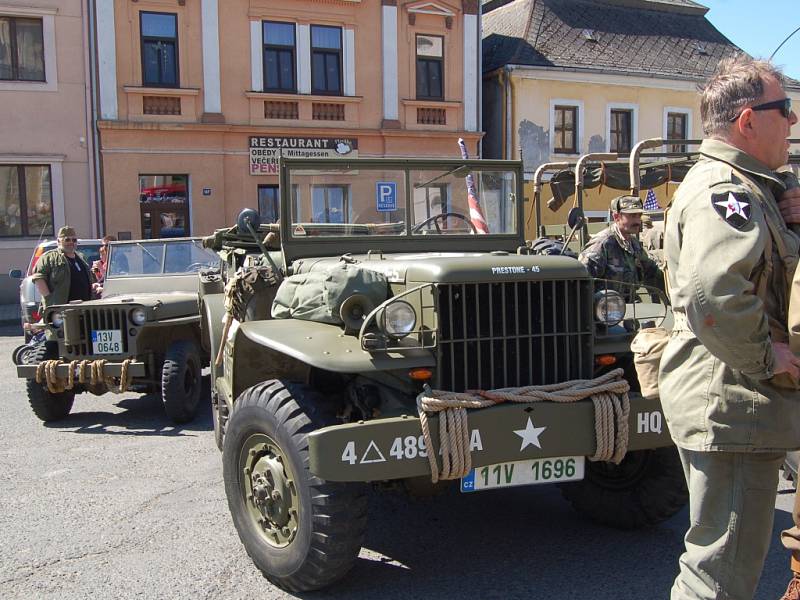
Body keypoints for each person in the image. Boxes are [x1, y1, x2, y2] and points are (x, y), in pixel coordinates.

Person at [659, 54, 800, 600]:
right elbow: (712, 291)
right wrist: (769, 357)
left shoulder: (754, 188)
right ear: (747, 120)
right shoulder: (728, 191)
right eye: (784, 108)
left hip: (738, 403)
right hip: (735, 402)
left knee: (728, 563)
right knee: (720, 575)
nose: (791, 122)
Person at [578, 194, 662, 300]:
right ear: (617, 217)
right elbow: (582, 281)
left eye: (638, 215)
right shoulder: (602, 243)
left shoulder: (633, 244)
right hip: (606, 309)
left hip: (630, 307)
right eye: (632, 216)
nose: (637, 221)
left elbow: (651, 269)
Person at [32, 226, 96, 312]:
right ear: (58, 241)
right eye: (67, 240)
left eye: (74, 240)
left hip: (85, 307)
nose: (71, 242)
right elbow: (38, 278)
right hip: (62, 309)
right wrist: (49, 300)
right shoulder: (48, 257)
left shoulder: (81, 257)